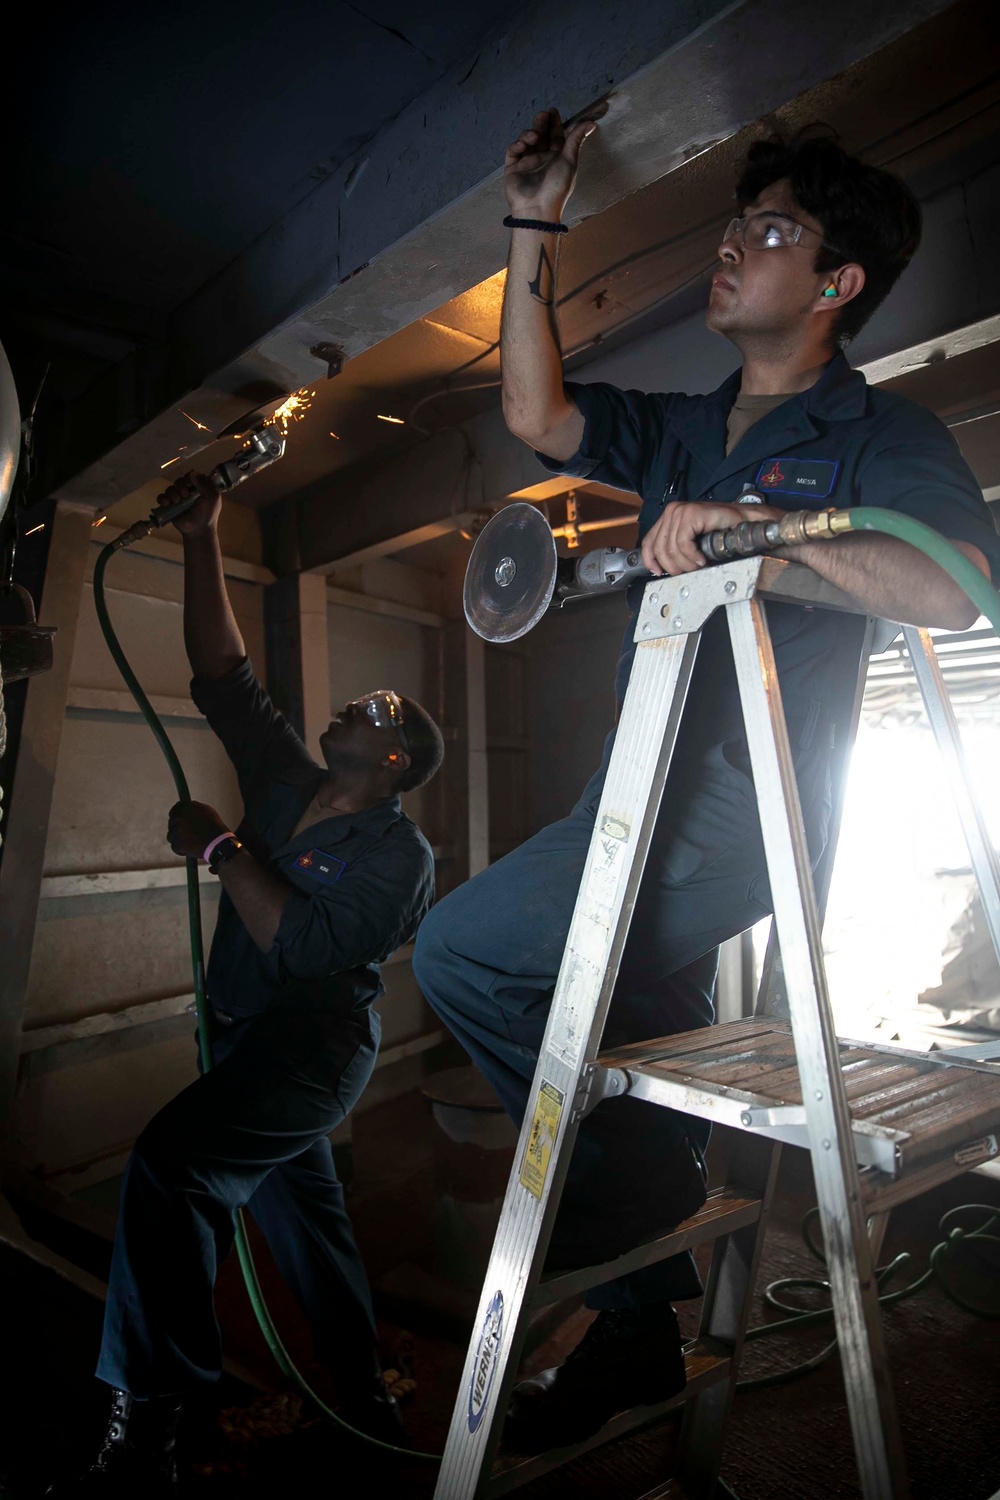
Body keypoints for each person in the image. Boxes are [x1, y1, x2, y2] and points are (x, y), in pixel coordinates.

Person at [412, 112, 1000, 1449]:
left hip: (744, 809)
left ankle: (631, 1258)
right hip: (637, 796)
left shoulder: (875, 432)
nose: (734, 246)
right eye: (740, 225)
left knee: (459, 955)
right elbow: (535, 411)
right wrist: (531, 220)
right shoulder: (683, 430)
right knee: (568, 996)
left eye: (773, 231)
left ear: (838, 286)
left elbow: (958, 589)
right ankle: (644, 1257)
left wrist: (762, 540)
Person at [50, 475, 444, 1495]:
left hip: (309, 1052)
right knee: (308, 1229)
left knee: (171, 1167)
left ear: (393, 758)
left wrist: (225, 848)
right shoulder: (284, 778)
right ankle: (363, 1407)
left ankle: (146, 1441)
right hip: (240, 1035)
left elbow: (311, 950)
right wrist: (200, 536)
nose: (352, 701)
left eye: (376, 710)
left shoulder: (399, 853)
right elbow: (224, 674)